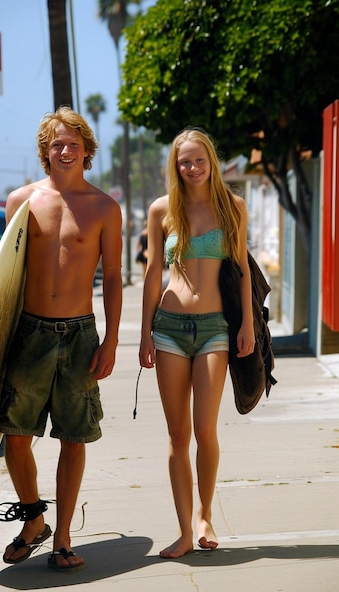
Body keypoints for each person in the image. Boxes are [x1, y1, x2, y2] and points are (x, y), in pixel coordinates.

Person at [0, 106, 123, 570]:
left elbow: (112, 275)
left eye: (72, 143)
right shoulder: (22, 201)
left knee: (75, 437)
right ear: (44, 153)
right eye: (56, 144)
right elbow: (4, 279)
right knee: (14, 435)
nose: (64, 150)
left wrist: (110, 340)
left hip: (80, 334)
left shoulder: (105, 207)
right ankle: (33, 518)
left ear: (87, 151)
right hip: (29, 331)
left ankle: (63, 537)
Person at [139, 128, 254, 559]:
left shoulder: (232, 207)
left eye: (199, 160)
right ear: (176, 165)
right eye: (184, 161)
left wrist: (248, 327)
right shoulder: (162, 210)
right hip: (169, 327)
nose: (192, 168)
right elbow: (153, 273)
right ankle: (185, 531)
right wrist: (145, 332)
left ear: (212, 161)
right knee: (177, 435)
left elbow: (241, 268)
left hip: (214, 328)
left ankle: (206, 514)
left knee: (205, 429)